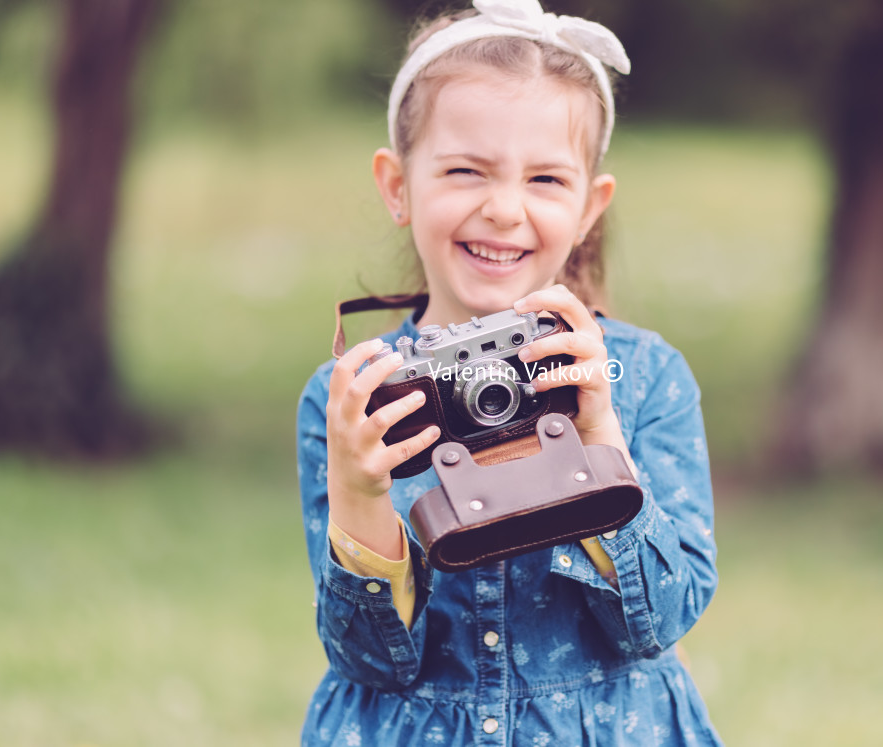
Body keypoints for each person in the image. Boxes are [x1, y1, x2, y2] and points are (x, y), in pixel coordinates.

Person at [295, 1, 721, 744]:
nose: (503, 209)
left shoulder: (642, 377)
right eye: (466, 171)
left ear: (591, 206)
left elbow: (659, 620)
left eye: (546, 180)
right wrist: (361, 493)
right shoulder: (359, 400)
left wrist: (596, 438)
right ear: (398, 186)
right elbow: (370, 657)